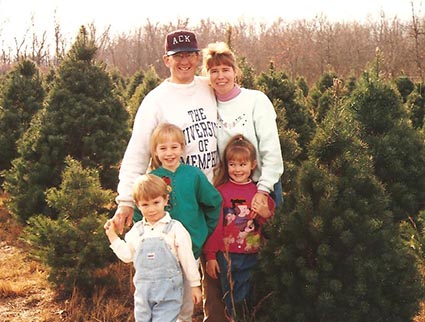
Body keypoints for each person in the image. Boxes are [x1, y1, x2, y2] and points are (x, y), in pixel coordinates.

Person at [112, 30, 226, 322]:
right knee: (176, 272)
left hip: (213, 192)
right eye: (178, 56)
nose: (184, 61)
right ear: (167, 60)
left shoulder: (208, 87)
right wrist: (126, 200)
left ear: (197, 57)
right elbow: (137, 150)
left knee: (215, 273)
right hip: (175, 201)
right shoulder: (156, 100)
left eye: (189, 55)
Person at [104, 174, 202, 322]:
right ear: (138, 205)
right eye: (145, 205)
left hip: (169, 293)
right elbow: (127, 256)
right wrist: (112, 237)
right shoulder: (137, 232)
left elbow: (188, 259)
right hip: (143, 294)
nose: (151, 209)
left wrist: (195, 285)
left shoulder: (175, 229)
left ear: (165, 200)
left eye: (156, 202)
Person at [202, 41, 284, 207]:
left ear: (235, 72)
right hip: (229, 190)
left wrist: (263, 189)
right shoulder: (208, 106)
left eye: (226, 70)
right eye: (214, 71)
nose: (220, 76)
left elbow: (271, 149)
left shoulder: (255, 100)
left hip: (262, 187)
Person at [203, 135, 275, 321]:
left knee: (250, 295)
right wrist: (211, 256)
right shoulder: (222, 192)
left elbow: (272, 224)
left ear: (252, 165)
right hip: (228, 256)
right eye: (232, 164)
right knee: (233, 297)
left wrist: (266, 214)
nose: (237, 169)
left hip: (253, 254)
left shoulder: (259, 194)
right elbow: (215, 226)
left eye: (242, 164)